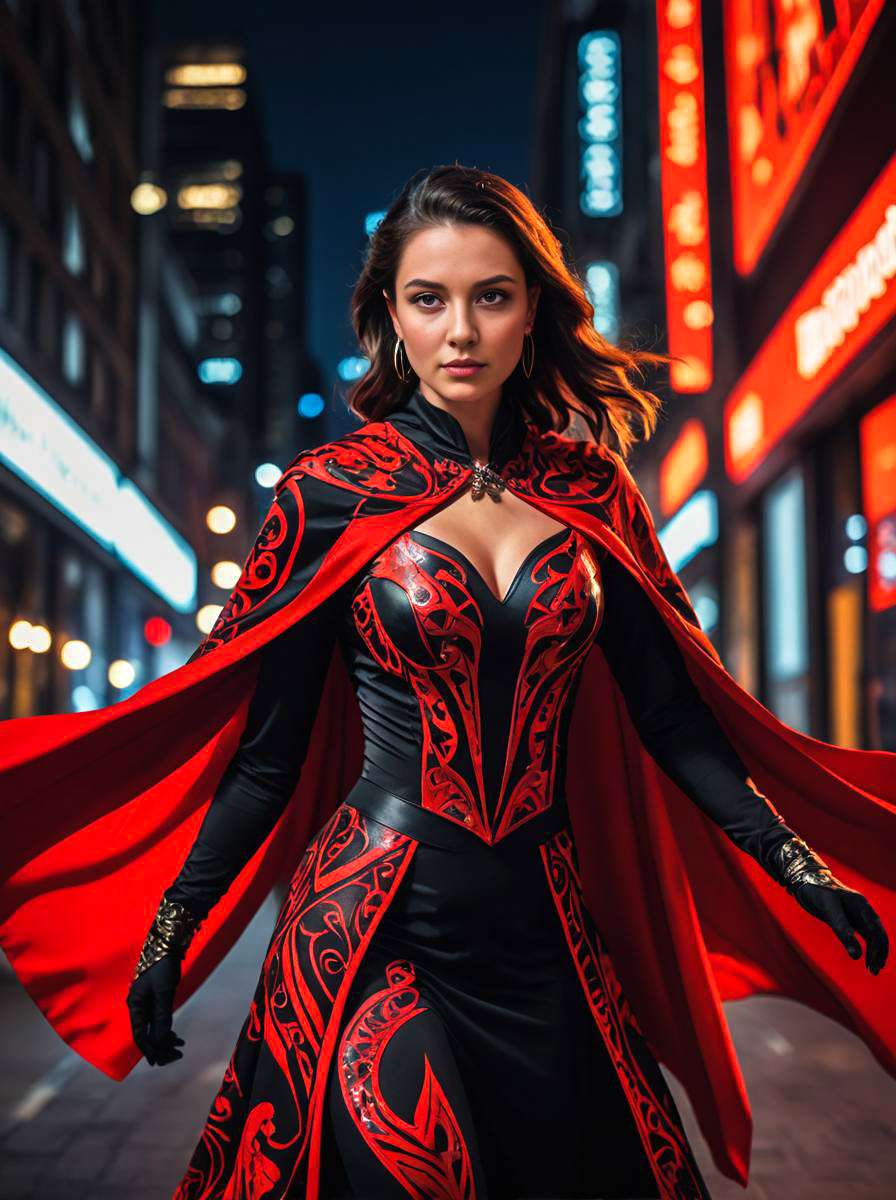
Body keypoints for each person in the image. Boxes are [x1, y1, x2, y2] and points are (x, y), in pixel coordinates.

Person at [1, 166, 891, 1200]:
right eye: (429, 300)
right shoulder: (324, 496)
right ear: (390, 318)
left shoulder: (590, 487)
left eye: (491, 296)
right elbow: (267, 758)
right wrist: (171, 930)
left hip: (549, 937)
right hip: (369, 929)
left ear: (531, 314)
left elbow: (671, 718)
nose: (459, 329)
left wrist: (800, 866)